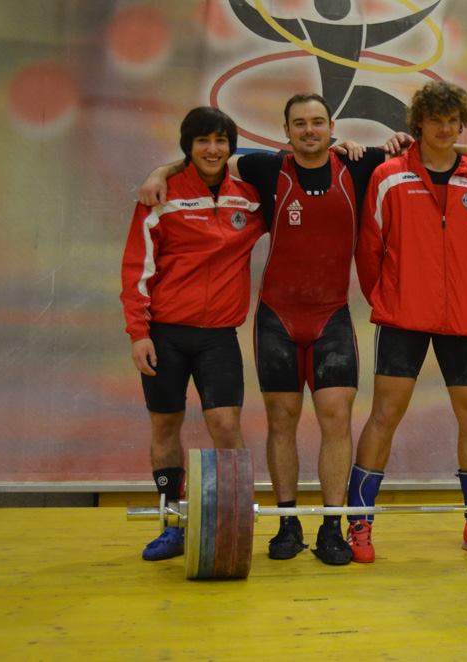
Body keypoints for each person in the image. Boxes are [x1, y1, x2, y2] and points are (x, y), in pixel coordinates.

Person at [139, 94, 467, 565]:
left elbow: (438, 148)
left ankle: (336, 525)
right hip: (277, 319)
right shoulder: (266, 170)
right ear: (285, 130)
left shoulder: (362, 163)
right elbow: (207, 157)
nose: (309, 130)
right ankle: (288, 524)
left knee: (337, 418)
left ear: (331, 125)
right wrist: (159, 173)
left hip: (331, 317)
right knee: (283, 422)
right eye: (299, 124)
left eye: (317, 122)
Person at [349, 80, 467, 562]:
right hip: (403, 315)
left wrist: (465, 295)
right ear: (418, 123)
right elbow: (369, 247)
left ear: (461, 125)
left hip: (466, 319)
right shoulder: (388, 174)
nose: (444, 128)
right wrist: (392, 295)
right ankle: (359, 524)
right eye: (435, 119)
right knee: (385, 415)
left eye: (452, 120)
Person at [121, 106, 265, 561]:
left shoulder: (251, 196)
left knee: (225, 425)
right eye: (203, 141)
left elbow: (298, 165)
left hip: (218, 335)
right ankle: (172, 524)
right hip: (163, 334)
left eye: (221, 141)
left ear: (231, 147)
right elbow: (136, 271)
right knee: (166, 425)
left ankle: (234, 523)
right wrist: (138, 333)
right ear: (189, 146)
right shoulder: (160, 196)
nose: (212, 149)